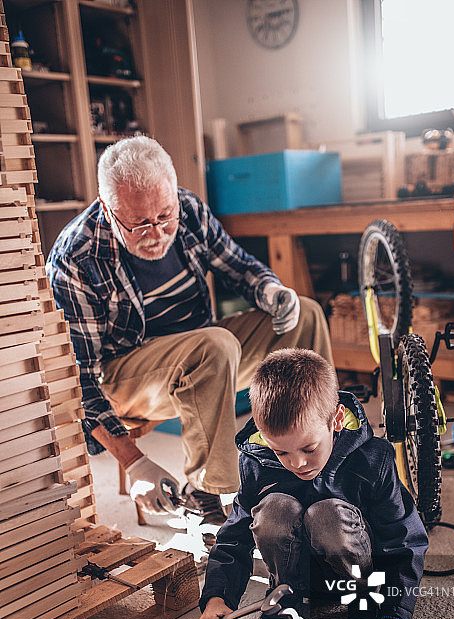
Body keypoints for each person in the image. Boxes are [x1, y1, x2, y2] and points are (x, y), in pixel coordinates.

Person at [46, 136, 332, 527]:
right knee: (213, 344)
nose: (158, 232)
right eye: (140, 223)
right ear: (107, 211)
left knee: (306, 315)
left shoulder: (190, 209)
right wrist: (134, 462)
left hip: (206, 354)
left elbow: (240, 266)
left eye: (166, 216)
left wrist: (271, 290)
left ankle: (325, 456)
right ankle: (210, 498)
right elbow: (78, 381)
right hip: (126, 379)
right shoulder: (76, 258)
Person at [195, 348, 428, 619]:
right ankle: (283, 600)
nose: (297, 463)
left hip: (358, 576)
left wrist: (393, 618)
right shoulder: (254, 462)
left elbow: (404, 540)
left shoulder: (373, 459)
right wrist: (217, 598)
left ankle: (363, 603)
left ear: (335, 420)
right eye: (281, 452)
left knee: (327, 514)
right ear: (263, 435)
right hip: (293, 577)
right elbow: (234, 537)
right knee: (274, 509)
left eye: (308, 448)